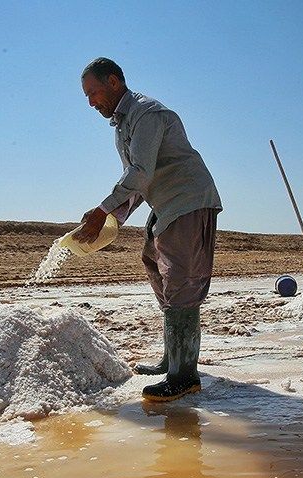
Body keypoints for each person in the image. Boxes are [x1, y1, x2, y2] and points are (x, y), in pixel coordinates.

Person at [74, 57, 222, 402]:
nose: (91, 102)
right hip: (166, 203)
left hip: (187, 199)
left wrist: (102, 210)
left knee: (181, 279)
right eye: (86, 97)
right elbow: (139, 183)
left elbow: (140, 172)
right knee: (153, 261)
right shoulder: (122, 126)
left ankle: (184, 376)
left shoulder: (146, 114)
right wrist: (109, 219)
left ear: (113, 82)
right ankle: (173, 358)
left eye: (93, 93)